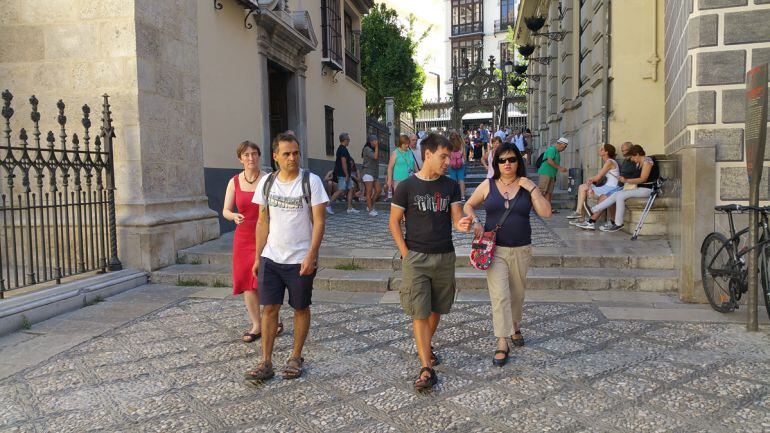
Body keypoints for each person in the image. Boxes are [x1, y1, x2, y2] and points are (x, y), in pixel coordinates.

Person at [389, 133, 473, 390]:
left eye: (450, 157)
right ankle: (426, 367)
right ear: (428, 155)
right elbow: (394, 222)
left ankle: (424, 346)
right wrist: (405, 253)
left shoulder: (450, 186)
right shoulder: (406, 186)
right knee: (420, 311)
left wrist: (463, 225)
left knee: (437, 309)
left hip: (444, 255)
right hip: (416, 257)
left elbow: (456, 219)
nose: (449, 162)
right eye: (443, 156)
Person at [244, 133, 329, 382]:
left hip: (300, 258)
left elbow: (319, 221)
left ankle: (295, 356)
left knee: (300, 307)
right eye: (287, 154)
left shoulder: (311, 181)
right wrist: (258, 257)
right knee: (269, 308)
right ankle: (266, 361)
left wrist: (312, 255)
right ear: (275, 156)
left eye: (295, 153)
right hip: (271, 257)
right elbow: (262, 221)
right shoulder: (267, 183)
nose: (292, 158)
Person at [463, 142, 551, 366]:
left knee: (517, 294)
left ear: (518, 162)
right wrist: (476, 221)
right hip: (495, 249)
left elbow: (546, 212)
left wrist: (532, 188)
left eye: (511, 159)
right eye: (502, 160)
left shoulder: (526, 186)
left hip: (522, 248)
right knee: (500, 295)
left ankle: (515, 325)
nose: (507, 164)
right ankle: (502, 340)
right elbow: (468, 205)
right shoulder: (488, 185)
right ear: (496, 163)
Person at [222, 141, 283, 343]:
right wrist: (233, 216)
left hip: (266, 235)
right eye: (246, 155)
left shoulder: (269, 179)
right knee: (247, 282)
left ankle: (273, 319)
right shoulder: (234, 181)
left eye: (254, 154)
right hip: (243, 237)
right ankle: (257, 324)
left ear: (259, 156)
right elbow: (225, 210)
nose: (251, 158)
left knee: (266, 280)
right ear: (240, 158)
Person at [581, 144, 659, 232]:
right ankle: (594, 209)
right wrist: (624, 179)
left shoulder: (648, 161)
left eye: (632, 157)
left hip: (648, 189)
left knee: (620, 196)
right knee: (616, 194)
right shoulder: (639, 163)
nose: (632, 160)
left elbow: (643, 179)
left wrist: (626, 180)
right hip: (639, 188)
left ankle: (618, 223)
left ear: (637, 154)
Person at [567, 143, 621, 223]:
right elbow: (599, 178)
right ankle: (579, 214)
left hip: (611, 188)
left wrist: (589, 180)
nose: (599, 150)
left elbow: (598, 177)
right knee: (582, 188)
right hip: (607, 187)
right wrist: (591, 182)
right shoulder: (608, 162)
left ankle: (580, 214)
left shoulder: (610, 162)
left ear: (606, 152)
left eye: (602, 149)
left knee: (583, 188)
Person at [328, 132, 358, 214]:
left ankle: (350, 208)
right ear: (345, 140)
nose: (349, 141)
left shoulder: (342, 149)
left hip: (345, 174)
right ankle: (328, 205)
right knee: (341, 190)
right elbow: (343, 162)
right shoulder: (343, 149)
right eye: (348, 139)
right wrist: (347, 174)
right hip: (343, 174)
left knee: (351, 188)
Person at [537, 137, 569, 212]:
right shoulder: (552, 149)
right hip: (545, 173)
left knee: (549, 193)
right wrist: (560, 168)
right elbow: (549, 161)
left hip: (551, 174)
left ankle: (548, 209)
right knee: (542, 191)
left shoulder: (557, 152)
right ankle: (535, 207)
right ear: (559, 144)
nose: (564, 149)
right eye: (564, 147)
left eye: (565, 147)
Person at [361, 135, 382, 216]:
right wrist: (376, 147)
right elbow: (375, 157)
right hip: (367, 172)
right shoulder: (367, 149)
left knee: (378, 190)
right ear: (371, 141)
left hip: (374, 173)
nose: (377, 142)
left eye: (377, 141)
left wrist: (376, 147)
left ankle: (370, 206)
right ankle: (370, 210)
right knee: (369, 192)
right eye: (375, 141)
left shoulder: (373, 149)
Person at [447, 130, 467, 200]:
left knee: (453, 181)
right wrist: (464, 163)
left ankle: (455, 196)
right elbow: (464, 155)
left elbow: (447, 155)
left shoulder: (448, 144)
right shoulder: (461, 144)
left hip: (451, 164)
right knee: (461, 180)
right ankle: (463, 196)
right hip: (460, 164)